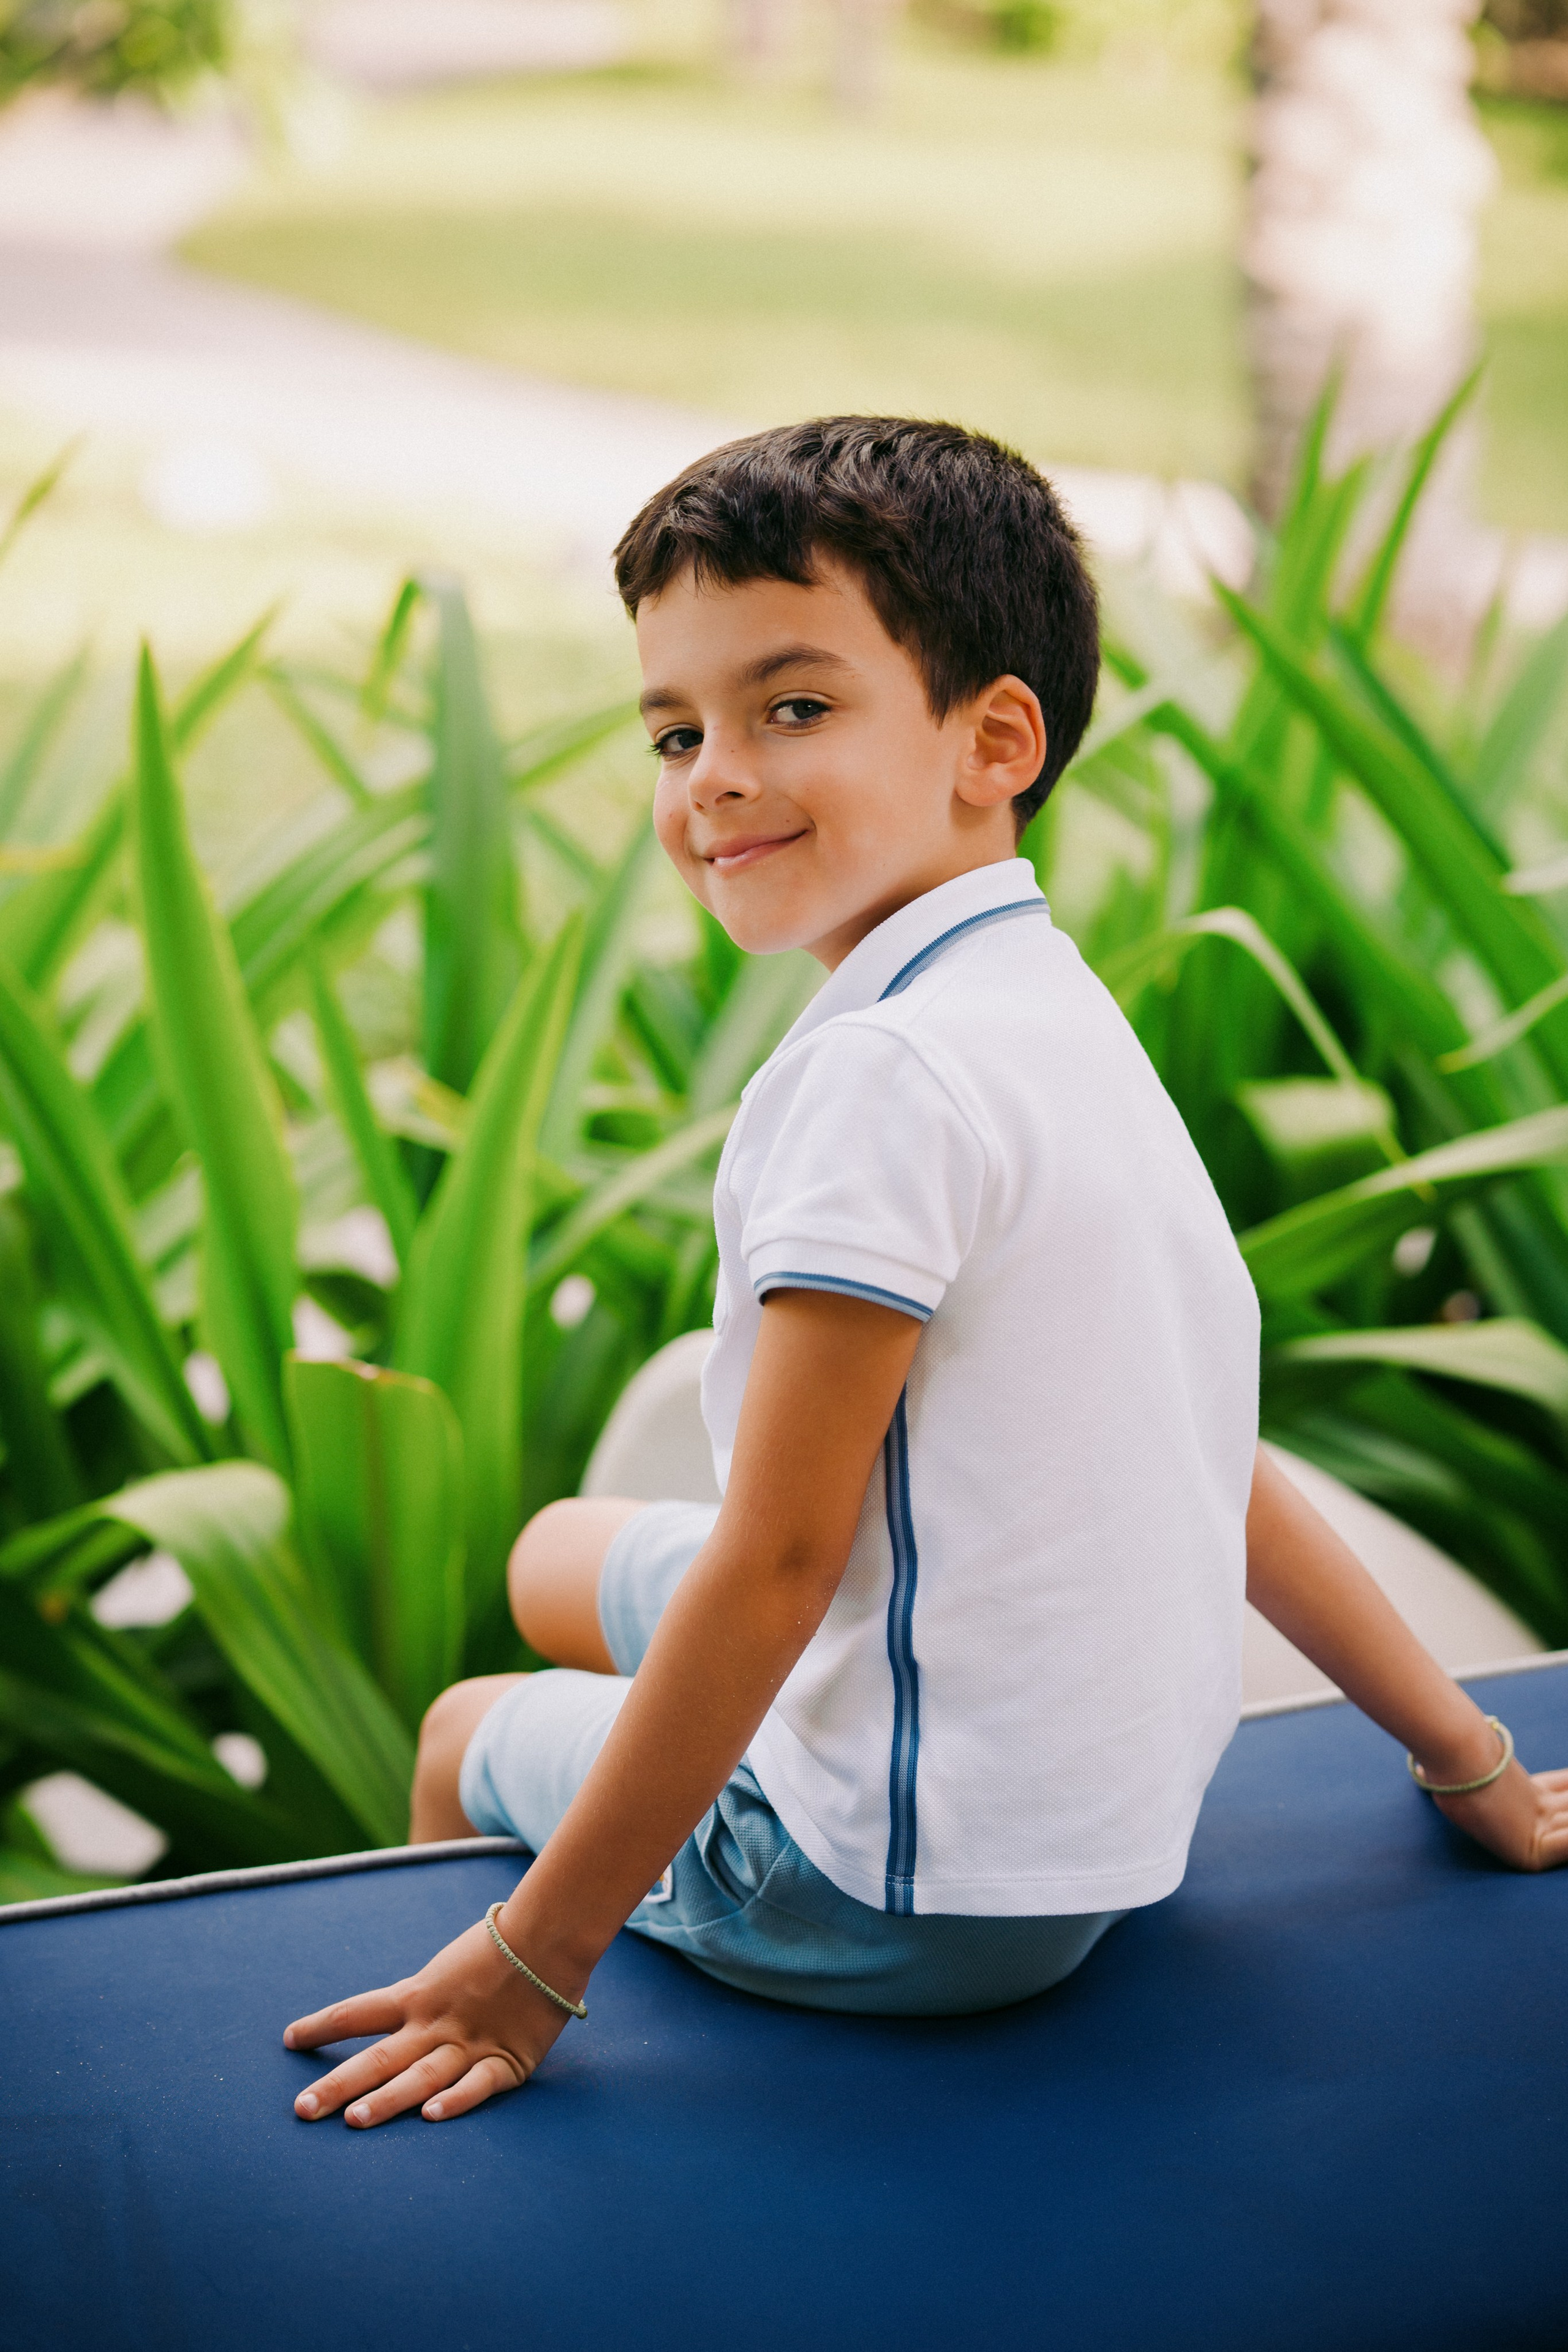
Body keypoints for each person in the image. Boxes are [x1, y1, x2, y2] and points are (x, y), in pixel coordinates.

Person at [285, 418, 1568, 2130]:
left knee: (464, 1724)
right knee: (553, 1556)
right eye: (677, 731)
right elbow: (1212, 1459)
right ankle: (685, 1765)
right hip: (1095, 1829)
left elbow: (783, 1565)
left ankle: (453, 2075)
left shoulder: (879, 1082)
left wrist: (537, 1962)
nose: (712, 778)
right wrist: (1468, 1757)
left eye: (792, 708)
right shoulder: (1055, 1012)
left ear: (995, 740)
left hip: (902, 1899)